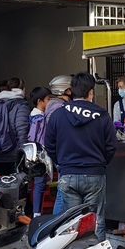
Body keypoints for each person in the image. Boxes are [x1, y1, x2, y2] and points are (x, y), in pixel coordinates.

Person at [43, 73, 117, 241]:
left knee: (72, 223)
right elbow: (111, 146)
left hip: (67, 174)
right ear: (90, 93)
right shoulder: (102, 115)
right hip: (94, 174)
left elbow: (49, 145)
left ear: (71, 92)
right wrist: (100, 163)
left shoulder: (58, 115)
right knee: (95, 220)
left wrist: (61, 163)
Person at [0, 76, 30, 176]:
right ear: (22, 89)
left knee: (3, 182)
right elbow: (22, 129)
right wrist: (24, 152)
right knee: (16, 185)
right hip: (13, 153)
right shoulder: (21, 106)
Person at [44, 75, 73, 214]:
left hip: (59, 153)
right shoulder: (59, 107)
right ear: (65, 90)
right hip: (63, 154)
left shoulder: (52, 104)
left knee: (63, 193)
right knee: (62, 194)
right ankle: (56, 225)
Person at [27, 86, 52, 216]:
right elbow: (33, 137)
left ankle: (37, 212)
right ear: (39, 101)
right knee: (39, 183)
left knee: (39, 183)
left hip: (40, 154)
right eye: (48, 99)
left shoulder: (36, 116)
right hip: (40, 155)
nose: (49, 102)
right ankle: (36, 213)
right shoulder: (38, 118)